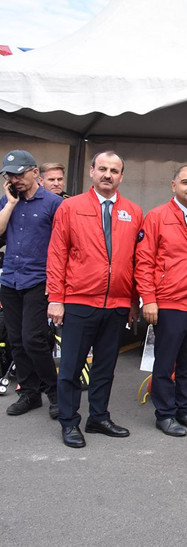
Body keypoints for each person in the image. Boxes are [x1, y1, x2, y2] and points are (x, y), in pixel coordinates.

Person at [46, 151, 141, 448]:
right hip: (79, 301)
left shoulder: (133, 211)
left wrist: (133, 300)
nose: (108, 174)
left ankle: (98, 417)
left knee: (104, 367)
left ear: (122, 176)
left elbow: (137, 260)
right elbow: (57, 254)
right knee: (72, 367)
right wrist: (56, 298)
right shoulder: (70, 207)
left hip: (116, 305)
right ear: (91, 172)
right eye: (102, 168)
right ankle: (69, 421)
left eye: (114, 170)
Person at [135, 165, 187, 437]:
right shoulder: (157, 216)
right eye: (186, 182)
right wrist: (148, 299)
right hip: (169, 304)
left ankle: (185, 410)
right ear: (173, 186)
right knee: (165, 363)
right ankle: (165, 414)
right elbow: (144, 261)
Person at [0, 149, 62, 418]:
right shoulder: (7, 200)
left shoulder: (53, 203)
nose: (15, 179)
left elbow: (64, 246)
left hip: (39, 280)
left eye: (20, 173)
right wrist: (10, 204)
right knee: (16, 340)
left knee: (33, 339)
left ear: (35, 172)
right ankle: (29, 393)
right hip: (10, 278)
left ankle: (54, 393)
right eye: (10, 175)